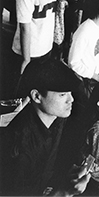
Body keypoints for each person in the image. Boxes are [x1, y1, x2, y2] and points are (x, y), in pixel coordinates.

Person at [0, 58, 91, 196]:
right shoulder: (19, 148)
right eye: (62, 95)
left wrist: (66, 175)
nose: (71, 99)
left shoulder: (56, 118)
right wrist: (63, 192)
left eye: (70, 93)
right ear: (36, 96)